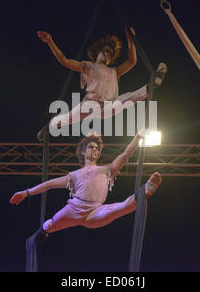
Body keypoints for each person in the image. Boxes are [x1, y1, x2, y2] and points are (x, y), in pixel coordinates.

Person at [10, 130, 162, 243]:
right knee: (51, 225)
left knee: (122, 207)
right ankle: (43, 231)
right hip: (74, 209)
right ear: (83, 152)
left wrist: (138, 136)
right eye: (91, 147)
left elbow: (125, 154)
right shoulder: (74, 175)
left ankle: (144, 191)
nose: (95, 150)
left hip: (95, 212)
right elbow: (49, 185)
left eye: (97, 148)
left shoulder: (107, 170)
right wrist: (27, 192)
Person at [37, 29, 167, 133]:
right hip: (90, 103)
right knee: (68, 118)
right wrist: (50, 42)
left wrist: (130, 41)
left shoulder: (114, 71)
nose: (107, 55)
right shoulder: (87, 66)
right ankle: (49, 126)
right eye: (106, 52)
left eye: (110, 54)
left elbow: (132, 61)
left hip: (108, 105)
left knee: (127, 98)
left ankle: (151, 86)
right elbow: (64, 60)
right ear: (98, 51)